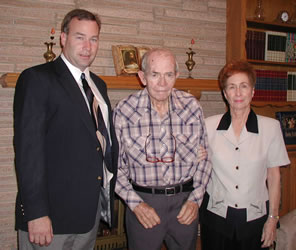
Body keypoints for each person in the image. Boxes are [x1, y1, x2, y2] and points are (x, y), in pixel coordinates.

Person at [13, 9, 118, 249]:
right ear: (63, 38)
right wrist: (36, 213)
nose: (87, 46)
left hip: (89, 216)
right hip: (50, 220)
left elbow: (100, 145)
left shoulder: (98, 85)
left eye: (94, 39)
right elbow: (28, 152)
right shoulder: (37, 79)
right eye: (79, 37)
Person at [113, 48, 211, 250]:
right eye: (155, 74)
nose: (162, 83)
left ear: (177, 75)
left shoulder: (192, 107)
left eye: (168, 75)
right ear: (143, 77)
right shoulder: (124, 111)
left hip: (185, 203)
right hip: (144, 204)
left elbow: (205, 159)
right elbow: (113, 166)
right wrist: (135, 204)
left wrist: (195, 200)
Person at [199, 60, 290, 250]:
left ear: (253, 91)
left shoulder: (271, 128)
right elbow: (196, 166)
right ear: (225, 94)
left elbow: (274, 177)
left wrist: (272, 219)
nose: (238, 93)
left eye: (244, 86)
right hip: (216, 218)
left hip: (255, 219)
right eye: (232, 87)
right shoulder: (208, 126)